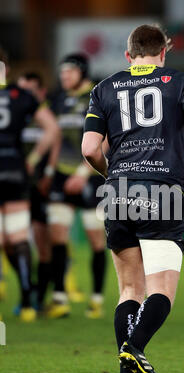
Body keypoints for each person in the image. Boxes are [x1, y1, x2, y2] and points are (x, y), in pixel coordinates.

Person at [82, 24, 184, 373]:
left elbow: (90, 149)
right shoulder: (181, 80)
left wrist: (116, 176)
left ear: (129, 55)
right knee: (161, 289)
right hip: (163, 192)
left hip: (118, 192)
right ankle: (133, 350)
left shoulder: (104, 87)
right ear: (163, 53)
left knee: (128, 289)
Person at [0, 47, 61, 322]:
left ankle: (27, 293)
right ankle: (27, 300)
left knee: (5, 241)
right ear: (7, 68)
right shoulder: (21, 96)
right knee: (18, 236)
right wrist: (34, 157)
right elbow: (52, 128)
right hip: (14, 168)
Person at [46, 54, 107, 319]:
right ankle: (59, 298)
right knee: (57, 237)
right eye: (62, 73)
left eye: (69, 72)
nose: (64, 77)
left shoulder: (98, 96)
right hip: (61, 175)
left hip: (91, 178)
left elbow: (106, 139)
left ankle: (96, 299)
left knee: (96, 240)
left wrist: (83, 172)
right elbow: (55, 136)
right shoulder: (59, 100)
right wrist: (50, 169)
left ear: (82, 72)